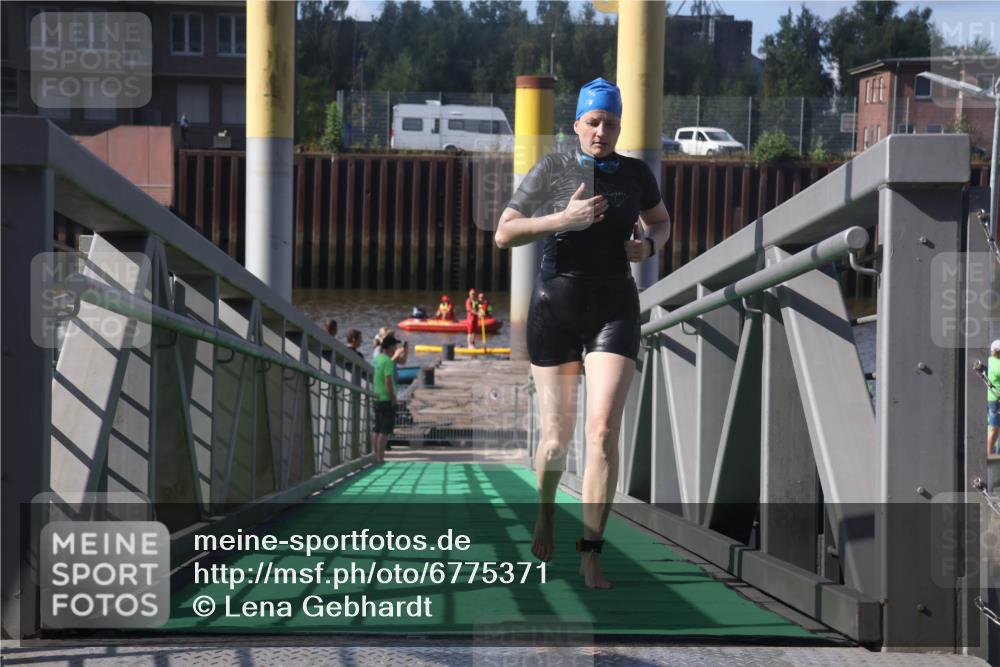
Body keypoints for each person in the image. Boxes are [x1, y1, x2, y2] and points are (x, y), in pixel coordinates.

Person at [494, 77, 671, 589]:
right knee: (554, 442)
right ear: (576, 124)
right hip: (556, 308)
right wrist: (562, 218)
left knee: (601, 434)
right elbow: (505, 232)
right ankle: (547, 510)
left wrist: (651, 247)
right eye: (593, 122)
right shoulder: (551, 168)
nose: (601, 131)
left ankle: (591, 553)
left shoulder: (636, 174)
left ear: (619, 126)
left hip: (615, 307)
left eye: (610, 123)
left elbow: (659, 221)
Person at [371, 333, 401, 464]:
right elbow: (388, 381)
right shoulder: (388, 361)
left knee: (377, 429)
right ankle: (381, 458)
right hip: (386, 398)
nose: (396, 349)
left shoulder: (376, 360)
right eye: (395, 346)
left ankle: (375, 455)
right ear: (389, 347)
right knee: (384, 430)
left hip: (376, 396)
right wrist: (393, 398)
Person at [988, 340, 1000, 457]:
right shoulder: (998, 364)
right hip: (996, 399)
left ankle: (992, 452)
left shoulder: (989, 360)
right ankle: (989, 453)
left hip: (991, 398)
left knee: (993, 427)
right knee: (994, 428)